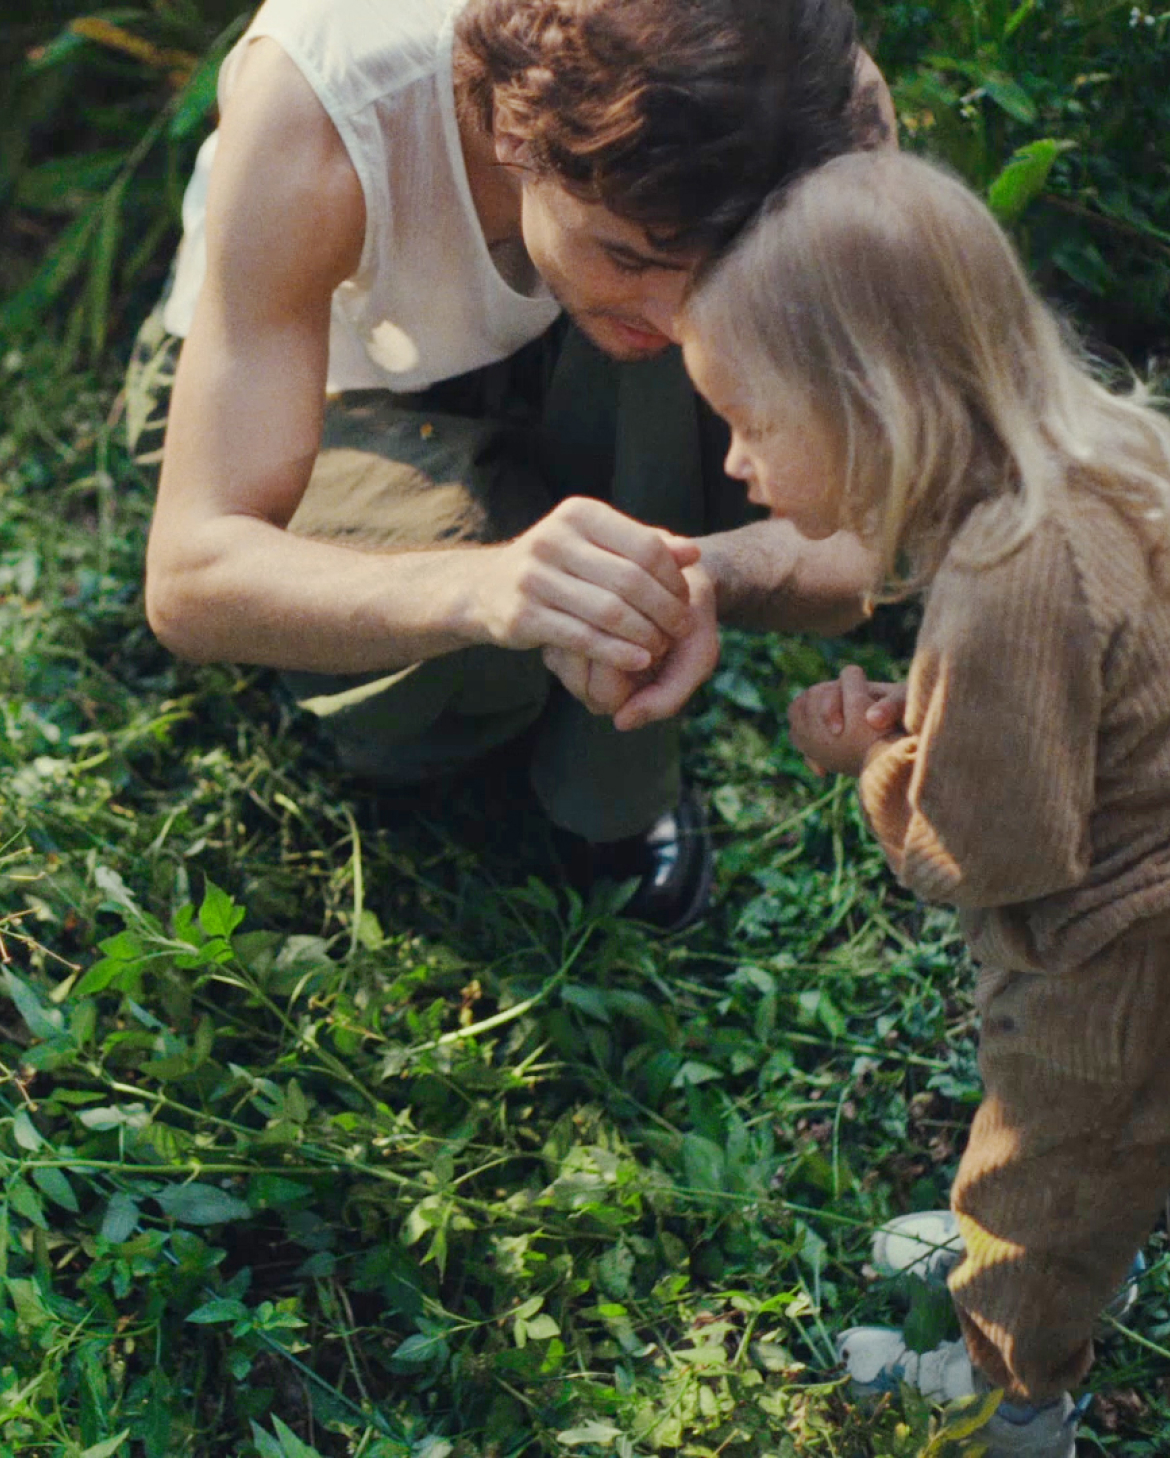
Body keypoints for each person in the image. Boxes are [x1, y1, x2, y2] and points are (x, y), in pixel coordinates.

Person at [130, 0, 894, 933]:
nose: (677, 307)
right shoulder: (328, 97)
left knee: (669, 368)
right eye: (630, 252)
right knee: (463, 674)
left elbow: (857, 545)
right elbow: (192, 574)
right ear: (512, 127)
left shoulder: (810, 101)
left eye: (713, 260)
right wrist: (483, 588)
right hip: (330, 380)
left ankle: (612, 801)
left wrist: (693, 577)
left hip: (550, 351)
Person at [678, 148, 1170, 1455]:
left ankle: (1016, 1391)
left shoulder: (1004, 581)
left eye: (751, 422)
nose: (731, 461)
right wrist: (953, 724)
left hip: (1115, 956)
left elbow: (997, 847)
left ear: (868, 406)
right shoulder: (1100, 461)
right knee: (1103, 1149)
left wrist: (877, 767)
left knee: (1046, 1174)